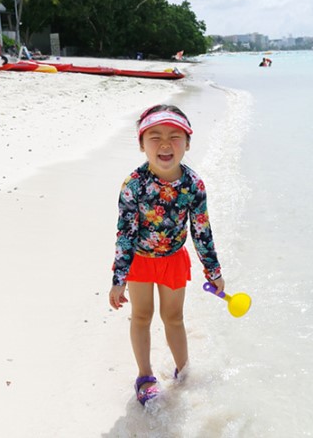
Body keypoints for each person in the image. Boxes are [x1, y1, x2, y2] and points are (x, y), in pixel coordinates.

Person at [109, 104, 225, 406]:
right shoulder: (133, 185)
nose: (164, 143)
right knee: (142, 316)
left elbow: (202, 231)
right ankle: (145, 376)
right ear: (141, 143)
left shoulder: (193, 184)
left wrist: (213, 271)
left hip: (173, 259)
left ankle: (184, 373)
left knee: (174, 317)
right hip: (140, 261)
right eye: (155, 136)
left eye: (175, 136)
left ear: (187, 143)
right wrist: (118, 279)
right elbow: (125, 232)